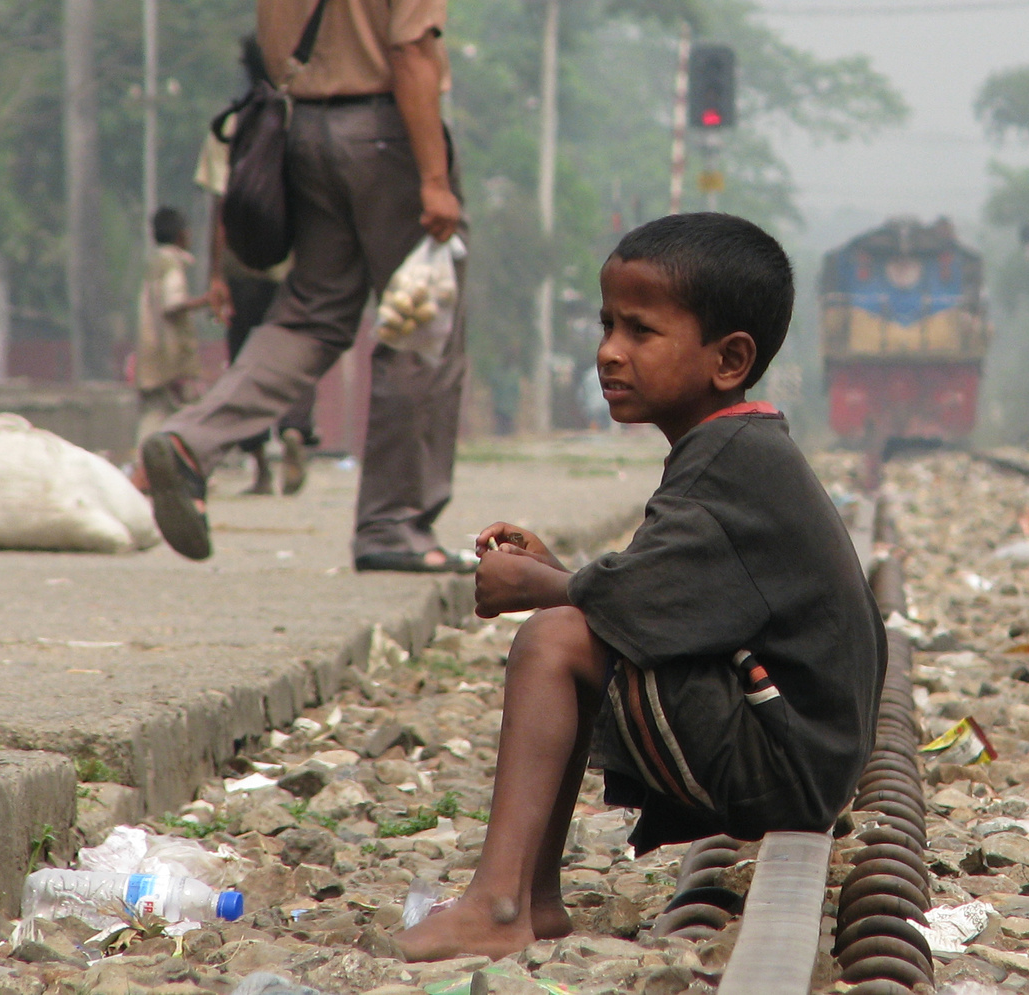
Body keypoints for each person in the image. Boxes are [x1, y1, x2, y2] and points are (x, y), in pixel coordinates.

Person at [395, 213, 887, 962]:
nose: (609, 353)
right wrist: (563, 573)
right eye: (607, 325)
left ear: (729, 359)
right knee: (578, 621)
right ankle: (535, 898)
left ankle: (499, 899)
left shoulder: (728, 459)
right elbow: (668, 590)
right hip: (801, 752)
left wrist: (538, 586)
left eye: (640, 331)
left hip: (785, 765)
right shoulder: (737, 447)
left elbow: (638, 605)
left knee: (555, 637)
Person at [141, 0, 469, 571]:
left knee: (309, 315)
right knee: (420, 324)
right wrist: (435, 180)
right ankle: (393, 527)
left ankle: (190, 441)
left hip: (305, 133)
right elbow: (411, 50)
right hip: (386, 133)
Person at [196, 36, 319, 497]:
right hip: (294, 264)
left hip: (243, 262)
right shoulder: (303, 123)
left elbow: (219, 210)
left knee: (245, 359)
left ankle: (260, 468)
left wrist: (214, 276)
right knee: (297, 348)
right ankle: (294, 428)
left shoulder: (228, 127)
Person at [134, 207, 212, 449]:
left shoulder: (154, 263)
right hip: (171, 356)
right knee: (188, 412)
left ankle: (143, 466)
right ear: (181, 235)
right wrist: (207, 300)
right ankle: (191, 464)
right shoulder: (171, 264)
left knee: (154, 414)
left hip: (150, 354)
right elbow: (173, 304)